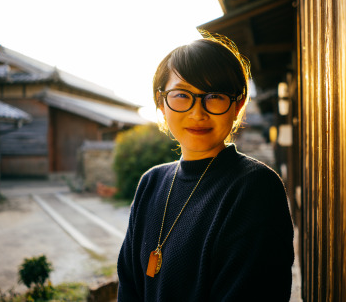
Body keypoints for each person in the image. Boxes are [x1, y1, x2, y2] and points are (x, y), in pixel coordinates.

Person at [117, 31, 294, 301]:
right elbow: (129, 288)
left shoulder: (255, 187)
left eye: (214, 96)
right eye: (181, 95)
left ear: (238, 105)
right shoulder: (151, 183)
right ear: (161, 103)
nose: (198, 113)